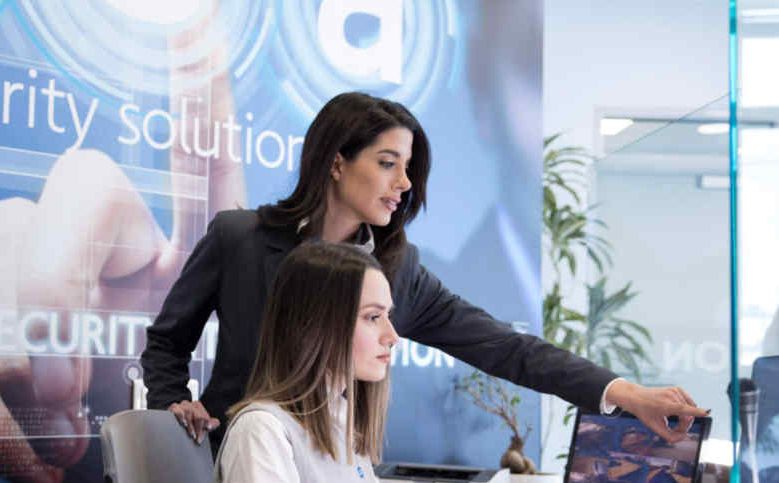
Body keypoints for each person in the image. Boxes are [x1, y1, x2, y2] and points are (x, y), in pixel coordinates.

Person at [141, 91, 708, 451]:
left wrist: (627, 393)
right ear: (336, 162)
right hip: (229, 461)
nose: (404, 183)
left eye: (408, 168)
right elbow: (167, 342)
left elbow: (508, 348)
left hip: (333, 481)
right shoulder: (240, 238)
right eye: (387, 163)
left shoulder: (397, 271)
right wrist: (173, 402)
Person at [210, 241, 488, 483]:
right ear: (316, 324)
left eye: (388, 315)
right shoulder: (263, 434)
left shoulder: (338, 422)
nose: (392, 336)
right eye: (373, 317)